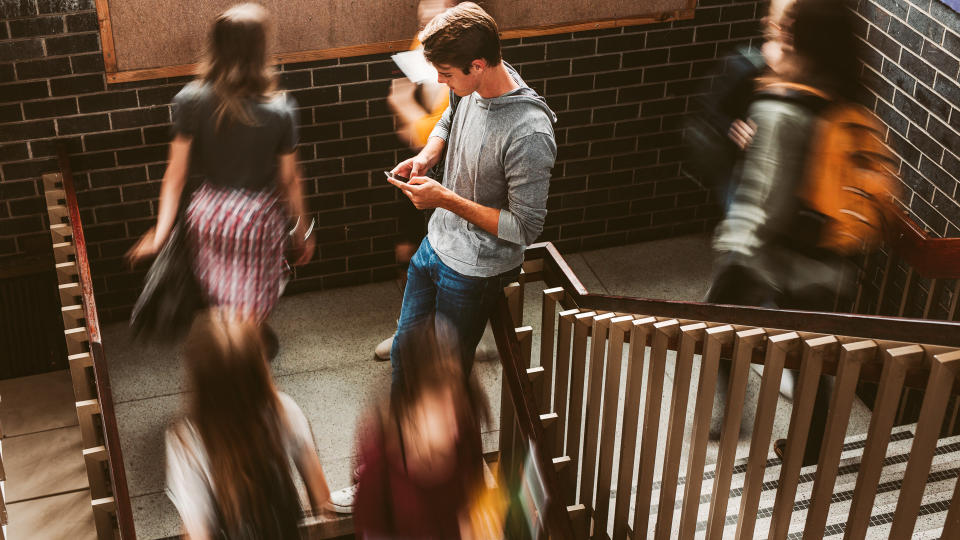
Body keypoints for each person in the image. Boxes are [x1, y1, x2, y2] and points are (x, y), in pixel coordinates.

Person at [707, 0, 866, 464]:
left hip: (773, 257)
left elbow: (766, 202)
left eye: (784, 30)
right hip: (827, 260)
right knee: (812, 358)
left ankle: (733, 415)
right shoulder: (845, 97)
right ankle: (810, 451)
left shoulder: (783, 104)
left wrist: (734, 244)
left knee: (714, 326)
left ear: (799, 39)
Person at [127, 3, 314, 356]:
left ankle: (228, 360)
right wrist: (302, 230)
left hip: (209, 214)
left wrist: (161, 231)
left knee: (223, 297)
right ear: (261, 49)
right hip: (258, 217)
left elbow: (175, 174)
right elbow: (289, 180)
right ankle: (250, 360)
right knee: (253, 301)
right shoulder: (281, 108)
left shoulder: (189, 100)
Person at [386, 2, 558, 383]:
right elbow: (451, 112)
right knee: (404, 357)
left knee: (441, 381)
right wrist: (428, 153)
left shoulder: (529, 133)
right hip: (434, 246)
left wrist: (444, 199)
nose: (441, 82)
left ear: (478, 65)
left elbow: (525, 228)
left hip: (474, 271)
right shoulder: (475, 82)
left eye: (445, 74)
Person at [165, 309, 331, 538]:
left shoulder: (186, 442)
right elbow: (323, 504)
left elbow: (198, 532)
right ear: (261, 368)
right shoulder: (284, 411)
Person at [374, 0, 462, 362]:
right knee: (410, 253)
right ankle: (417, 331)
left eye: (437, 5)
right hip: (422, 165)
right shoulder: (425, 39)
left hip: (444, 168)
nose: (425, 10)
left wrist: (407, 110)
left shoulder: (460, 48)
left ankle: (449, 334)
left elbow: (441, 119)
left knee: (441, 254)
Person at [353, 323, 498, 539]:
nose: (453, 417)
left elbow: (471, 505)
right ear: (410, 406)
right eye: (438, 402)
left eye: (457, 399)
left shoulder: (465, 433)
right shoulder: (379, 466)